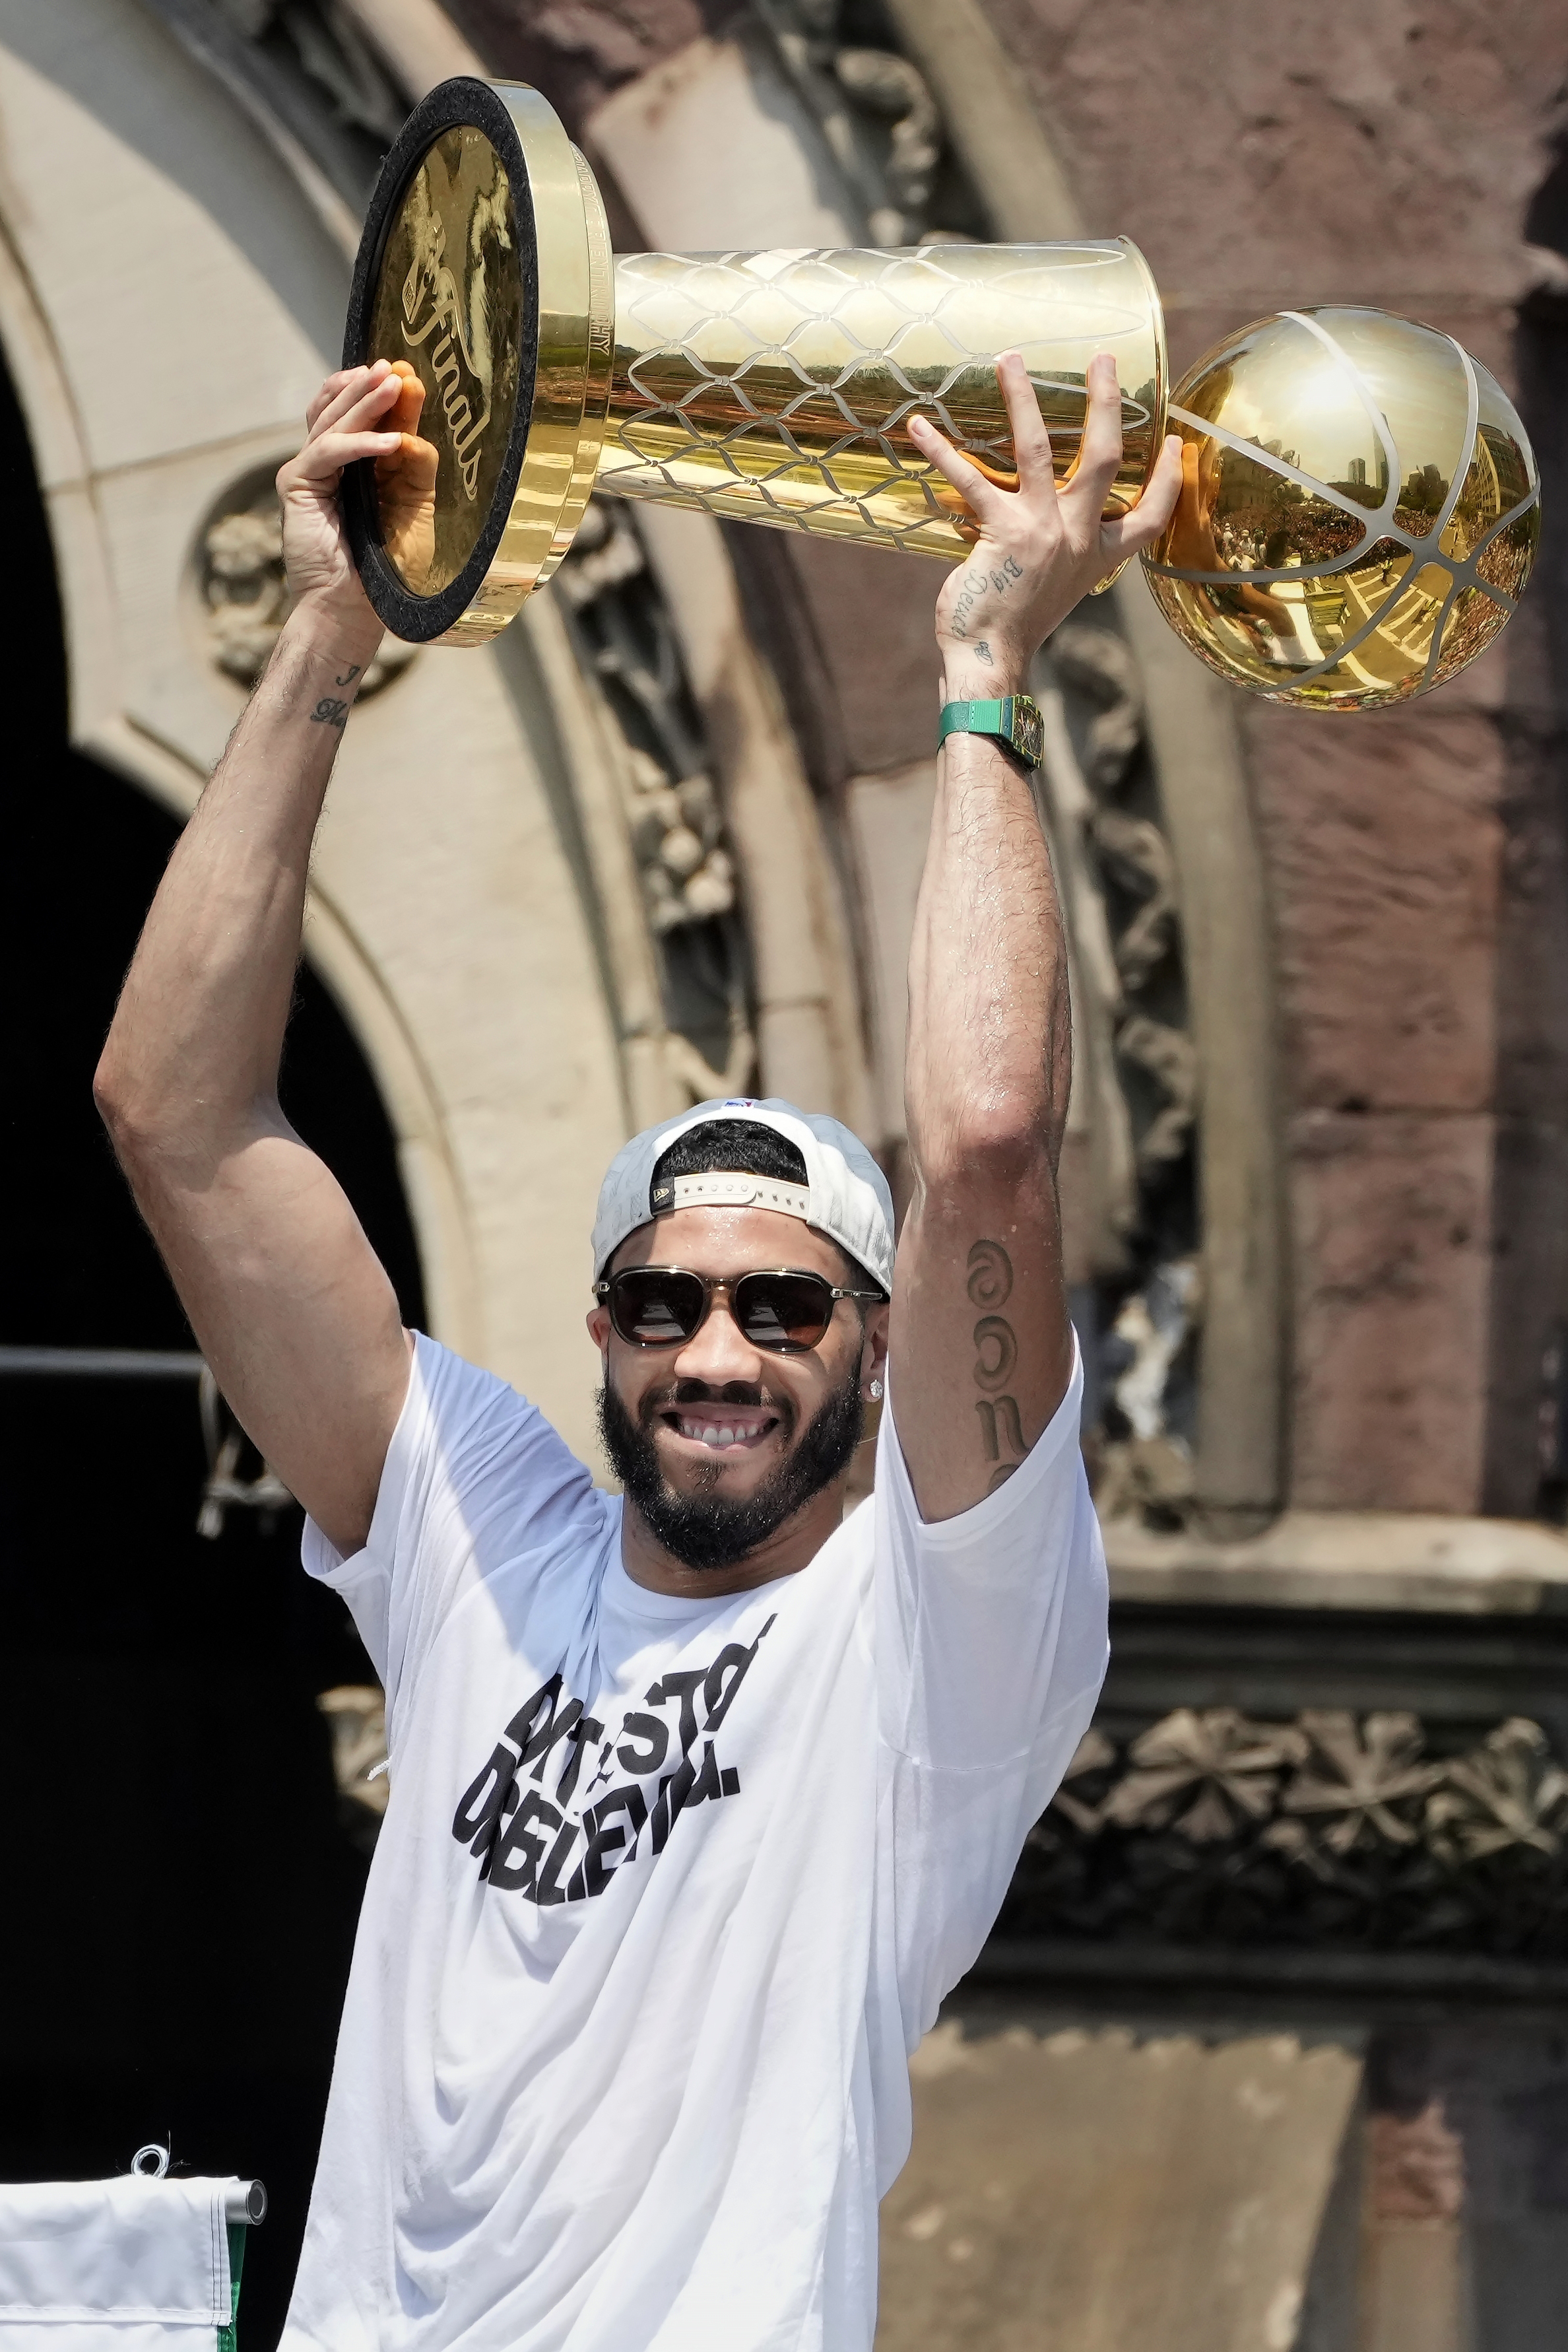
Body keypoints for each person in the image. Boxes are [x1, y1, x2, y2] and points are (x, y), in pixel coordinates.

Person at [95, 351, 1183, 2351]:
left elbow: (993, 1142)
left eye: (785, 1307)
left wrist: (980, 672)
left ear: (874, 1343)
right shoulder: (483, 1528)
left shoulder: (938, 1630)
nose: (717, 1350)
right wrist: (327, 626)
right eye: (668, 1300)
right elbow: (178, 1114)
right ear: (598, 1329)